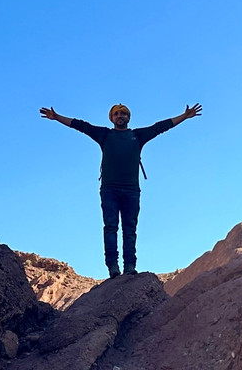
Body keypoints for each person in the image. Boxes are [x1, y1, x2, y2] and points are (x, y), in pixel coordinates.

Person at [39, 102, 202, 277]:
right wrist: (57, 117)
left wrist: (184, 116)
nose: (120, 116)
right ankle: (113, 267)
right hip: (109, 189)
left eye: (123, 114)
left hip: (132, 190)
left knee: (130, 229)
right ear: (112, 118)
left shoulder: (137, 136)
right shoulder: (104, 135)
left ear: (128, 118)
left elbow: (160, 127)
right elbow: (81, 126)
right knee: (110, 227)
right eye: (116, 114)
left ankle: (130, 266)